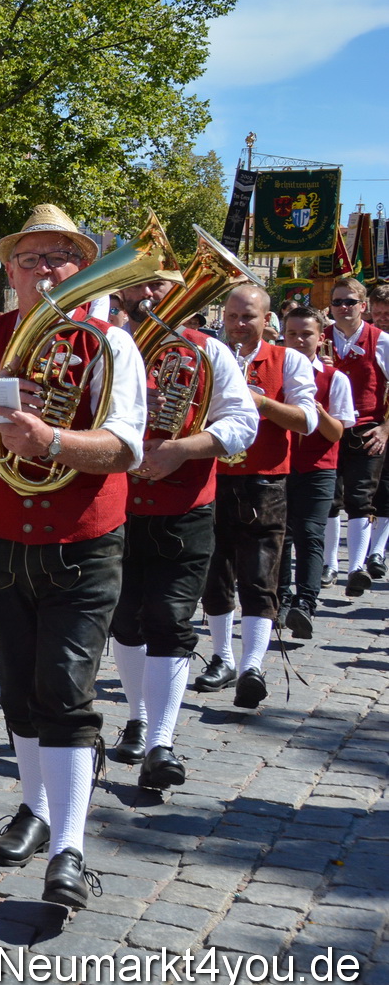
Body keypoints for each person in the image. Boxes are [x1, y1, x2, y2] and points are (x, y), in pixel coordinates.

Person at [0, 203, 151, 910]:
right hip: (3, 538)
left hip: (84, 541)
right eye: (31, 260)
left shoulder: (112, 344)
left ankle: (70, 848)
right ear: (11, 273)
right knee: (19, 687)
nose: (45, 271)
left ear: (82, 270)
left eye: (60, 259)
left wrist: (49, 440)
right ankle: (35, 806)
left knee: (65, 690)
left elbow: (126, 448)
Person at [107, 276, 255, 791]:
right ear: (123, 292)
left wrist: (184, 448)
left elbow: (243, 422)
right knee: (124, 622)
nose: (150, 297)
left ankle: (160, 744)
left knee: (169, 621)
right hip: (115, 508)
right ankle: (138, 718)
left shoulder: (208, 351)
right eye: (141, 286)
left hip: (186, 509)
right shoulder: (106, 343)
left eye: (162, 286)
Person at [193, 285, 318, 709]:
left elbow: (307, 421)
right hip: (214, 475)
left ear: (268, 321)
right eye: (231, 316)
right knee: (215, 572)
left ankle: (253, 666)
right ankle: (222, 657)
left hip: (265, 483)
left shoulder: (290, 360)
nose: (237, 324)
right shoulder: (210, 355)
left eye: (247, 317)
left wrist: (262, 403)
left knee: (260, 575)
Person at [279, 307, 352, 639]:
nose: (298, 340)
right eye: (292, 334)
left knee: (309, 534)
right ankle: (280, 600)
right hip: (279, 465)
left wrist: (316, 410)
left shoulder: (334, 378)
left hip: (318, 469)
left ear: (320, 338)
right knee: (280, 536)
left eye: (306, 334)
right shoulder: (274, 372)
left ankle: (305, 602)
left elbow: (337, 432)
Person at [321, 278, 389, 596]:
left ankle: (357, 567)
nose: (343, 308)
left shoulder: (381, 340)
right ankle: (329, 564)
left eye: (350, 301)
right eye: (337, 302)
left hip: (365, 428)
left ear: (364, 306)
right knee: (330, 500)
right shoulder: (317, 338)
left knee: (360, 499)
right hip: (326, 427)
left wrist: (386, 428)